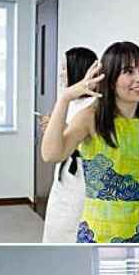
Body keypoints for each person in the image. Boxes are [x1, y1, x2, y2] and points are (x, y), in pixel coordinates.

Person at [40, 41, 139, 243]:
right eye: (128, 71)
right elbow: (51, 154)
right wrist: (65, 98)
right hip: (97, 233)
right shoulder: (90, 118)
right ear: (111, 79)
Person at [41, 46, 97, 243]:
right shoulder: (69, 102)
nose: (62, 73)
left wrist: (64, 129)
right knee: (57, 225)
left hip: (82, 178)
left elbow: (94, 142)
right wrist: (53, 128)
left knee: (75, 225)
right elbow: (52, 150)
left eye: (65, 68)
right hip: (62, 176)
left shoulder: (94, 107)